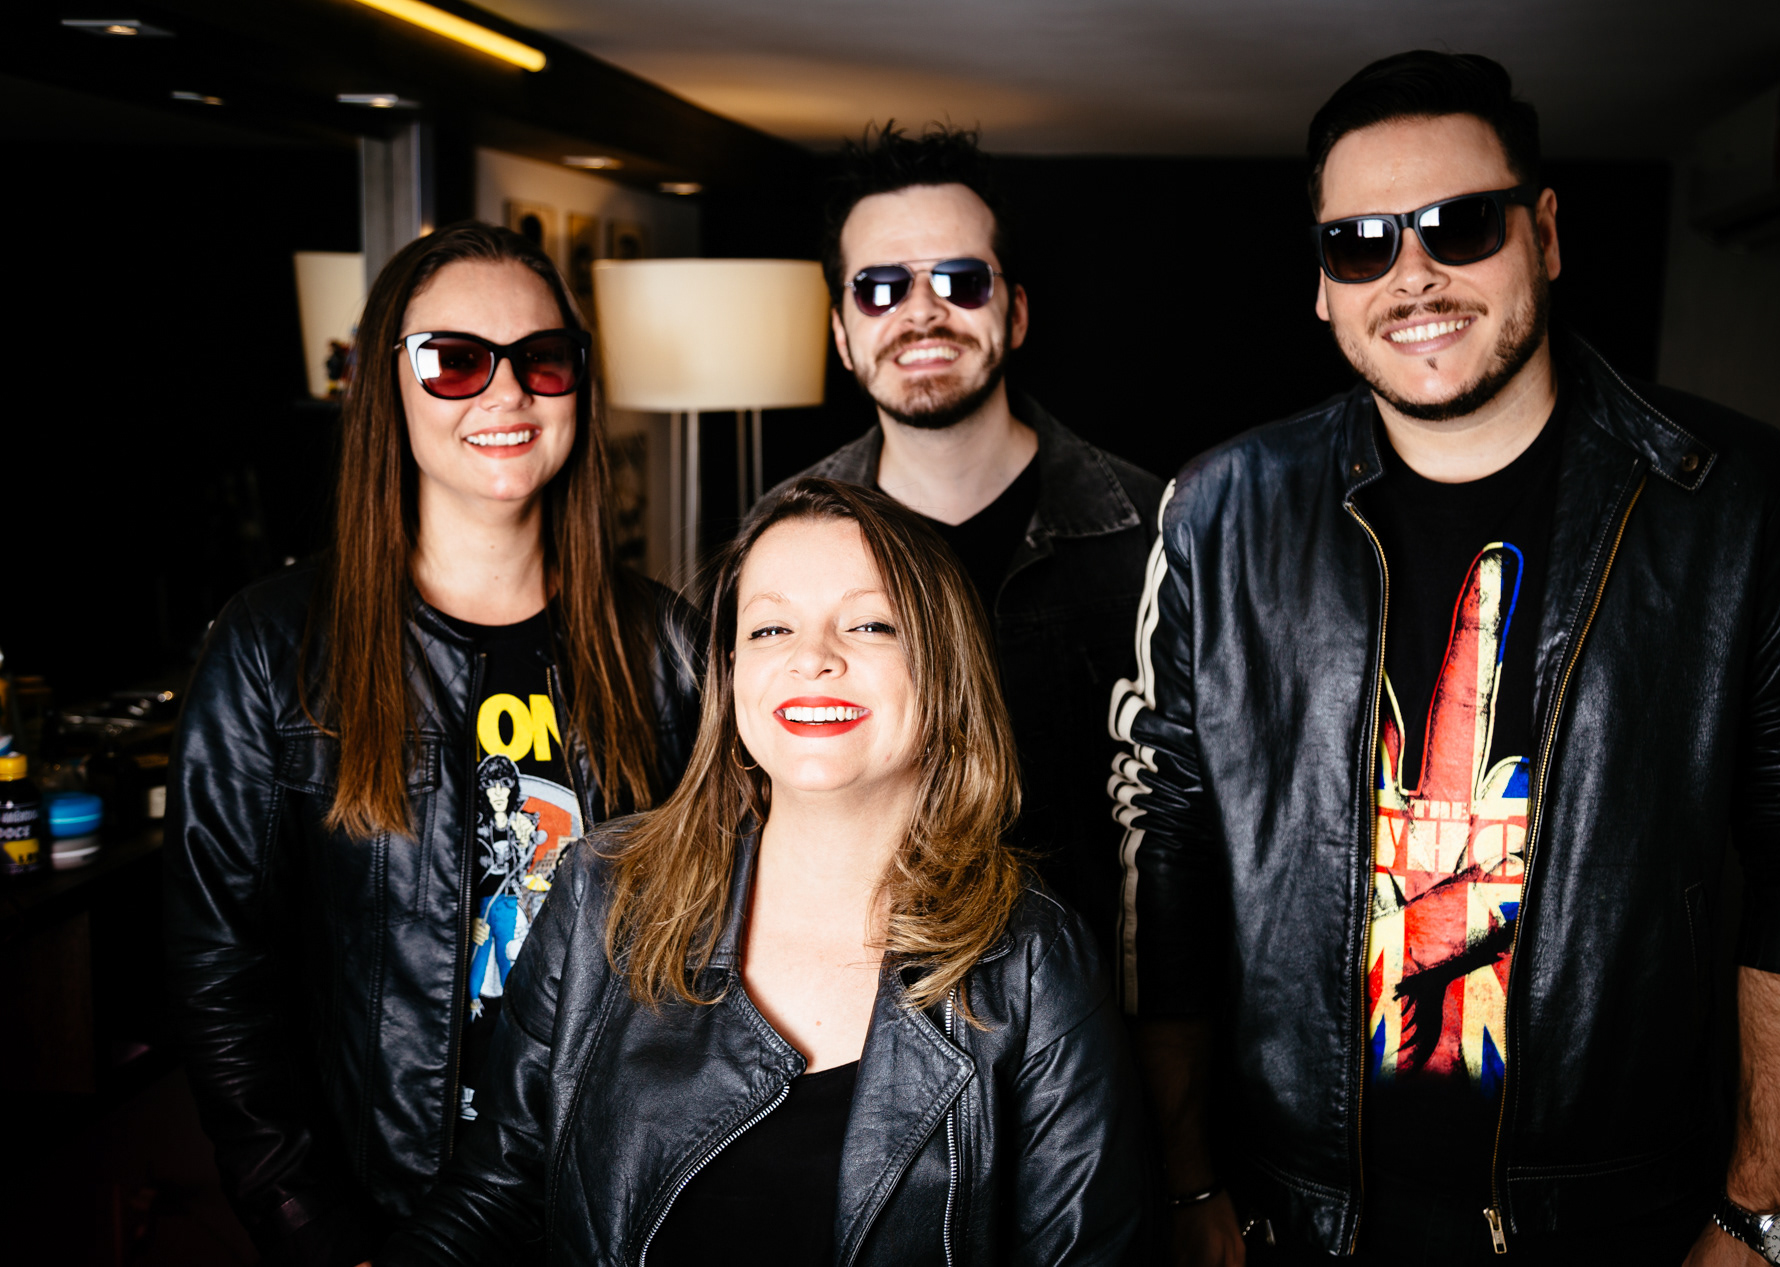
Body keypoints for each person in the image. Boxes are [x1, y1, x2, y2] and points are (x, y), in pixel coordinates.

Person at [1109, 51, 1780, 1266]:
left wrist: (1765, 1211)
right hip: (1292, 1215)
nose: (1411, 273)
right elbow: (1164, 852)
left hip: (1618, 1216)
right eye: (1359, 244)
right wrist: (1182, 1178)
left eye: (1459, 225)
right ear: (1321, 284)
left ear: (1546, 234)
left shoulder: (1733, 498)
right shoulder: (1218, 511)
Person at [379, 478, 1153, 1266]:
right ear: (732, 673)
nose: (812, 657)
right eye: (772, 627)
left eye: (870, 623)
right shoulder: (602, 891)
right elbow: (496, 1197)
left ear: (945, 667)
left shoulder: (1035, 963)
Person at [164, 222, 702, 1267]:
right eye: (455, 361)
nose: (507, 393)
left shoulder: (666, 647)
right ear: (389, 386)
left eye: (542, 359)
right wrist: (314, 1230)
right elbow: (220, 971)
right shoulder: (274, 646)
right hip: (381, 1212)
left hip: (612, 1208)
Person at [759, 123, 1164, 949]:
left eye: (961, 281)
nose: (921, 312)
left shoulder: (1162, 529)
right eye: (879, 288)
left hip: (1104, 995)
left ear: (1015, 314)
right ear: (840, 333)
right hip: (862, 993)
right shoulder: (775, 541)